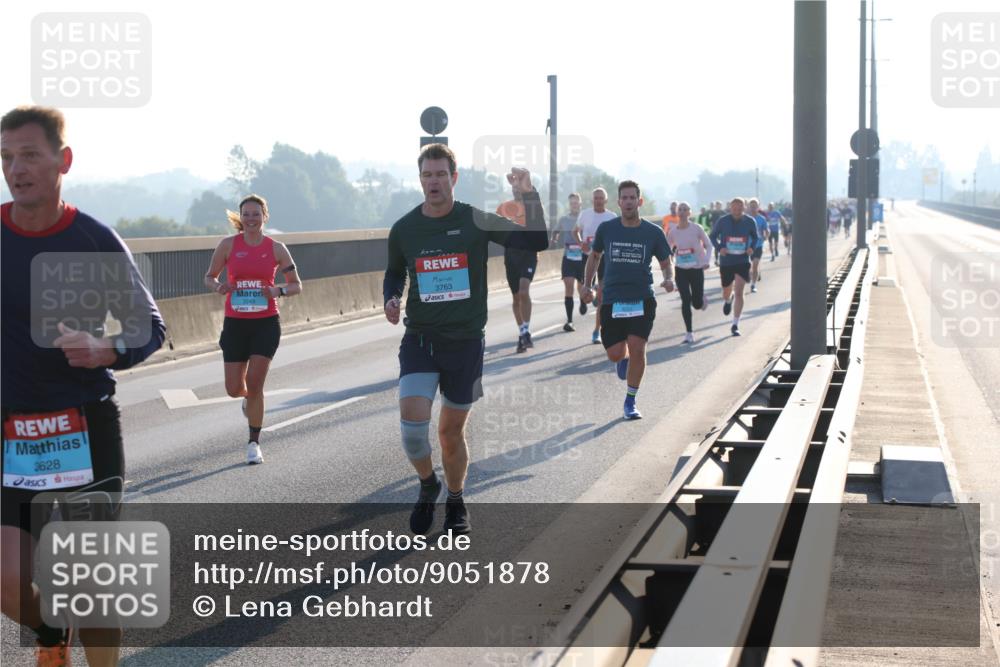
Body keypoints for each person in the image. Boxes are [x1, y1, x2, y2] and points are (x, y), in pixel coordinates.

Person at [2, 105, 166, 666]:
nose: (15, 169)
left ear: (62, 161)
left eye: (29, 155)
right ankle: (52, 635)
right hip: (11, 435)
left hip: (82, 426)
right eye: (5, 158)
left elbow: (151, 325)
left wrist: (108, 349)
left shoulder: (90, 239)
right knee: (6, 579)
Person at [383, 144, 547, 535]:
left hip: (466, 342)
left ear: (453, 178)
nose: (434, 182)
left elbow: (536, 241)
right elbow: (395, 271)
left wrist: (528, 193)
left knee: (449, 433)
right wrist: (391, 297)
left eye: (441, 174)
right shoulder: (404, 228)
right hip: (420, 338)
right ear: (420, 179)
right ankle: (428, 485)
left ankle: (455, 498)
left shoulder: (474, 220)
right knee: (412, 429)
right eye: (427, 175)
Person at [204, 194, 302, 465]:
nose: (250, 218)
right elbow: (209, 277)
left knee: (257, 384)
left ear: (264, 217)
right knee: (235, 388)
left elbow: (296, 285)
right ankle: (247, 400)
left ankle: (253, 444)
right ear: (240, 218)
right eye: (246, 214)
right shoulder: (227, 245)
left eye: (255, 214)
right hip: (235, 323)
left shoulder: (276, 248)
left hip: (265, 323)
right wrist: (219, 286)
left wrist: (276, 290)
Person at [582, 180, 673, 420]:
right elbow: (594, 257)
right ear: (619, 202)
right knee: (615, 353)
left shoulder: (653, 232)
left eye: (633, 198)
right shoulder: (607, 229)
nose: (629, 202)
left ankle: (630, 401)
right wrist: (587, 285)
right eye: (625, 198)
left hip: (641, 298)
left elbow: (665, 262)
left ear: (639, 201)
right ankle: (620, 360)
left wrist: (669, 278)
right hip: (612, 299)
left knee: (638, 347)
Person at [574, 187, 618, 344]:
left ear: (605, 200)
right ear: (592, 200)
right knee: (584, 290)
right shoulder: (585, 214)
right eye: (596, 198)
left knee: (602, 296)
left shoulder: (611, 217)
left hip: (605, 259)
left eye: (601, 198)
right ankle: (589, 293)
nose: (598, 200)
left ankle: (596, 331)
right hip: (588, 258)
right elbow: (575, 231)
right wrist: (581, 244)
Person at [709, 196, 758, 336]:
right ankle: (727, 300)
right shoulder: (723, 221)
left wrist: (751, 248)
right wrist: (719, 248)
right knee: (727, 291)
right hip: (727, 261)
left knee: (739, 292)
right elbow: (712, 236)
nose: (737, 210)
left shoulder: (750, 221)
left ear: (744, 208)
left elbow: (755, 237)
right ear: (730, 208)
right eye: (734, 208)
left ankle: (735, 324)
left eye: (740, 207)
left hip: (742, 260)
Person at [497, 187, 537, 353]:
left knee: (523, 291)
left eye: (518, 188)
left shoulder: (532, 207)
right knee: (515, 299)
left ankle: (526, 331)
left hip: (528, 255)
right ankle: (522, 333)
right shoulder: (504, 207)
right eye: (514, 188)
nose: (516, 191)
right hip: (511, 257)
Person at [667, 202, 712, 343]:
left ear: (689, 213)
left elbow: (709, 245)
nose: (681, 211)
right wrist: (670, 262)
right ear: (677, 212)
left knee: (697, 304)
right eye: (679, 209)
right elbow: (667, 249)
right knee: (685, 299)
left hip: (696, 268)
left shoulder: (696, 228)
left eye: (684, 209)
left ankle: (701, 298)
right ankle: (689, 332)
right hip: (680, 269)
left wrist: (705, 260)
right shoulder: (673, 231)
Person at [551, 192, 584, 332]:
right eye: (572, 203)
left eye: (576, 203)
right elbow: (555, 230)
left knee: (581, 286)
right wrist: (554, 239)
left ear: (580, 204)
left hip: (583, 257)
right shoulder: (564, 219)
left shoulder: (585, 217)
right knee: (569, 285)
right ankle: (570, 320)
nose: (574, 205)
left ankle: (583, 300)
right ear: (569, 205)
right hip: (568, 256)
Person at [747, 198, 768, 293]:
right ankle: (755, 274)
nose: (753, 208)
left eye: (755, 206)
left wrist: (766, 235)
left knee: (754, 265)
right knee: (748, 266)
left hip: (758, 245)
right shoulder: (745, 218)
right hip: (747, 246)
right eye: (751, 206)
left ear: (758, 207)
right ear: (748, 207)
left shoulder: (762, 219)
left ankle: (753, 285)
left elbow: (767, 230)